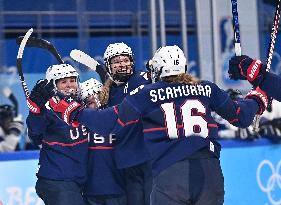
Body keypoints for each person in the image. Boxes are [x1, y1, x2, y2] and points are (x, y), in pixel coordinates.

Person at [50, 45, 268, 205]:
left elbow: (108, 123)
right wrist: (258, 98)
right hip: (209, 171)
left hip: (170, 172)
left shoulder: (148, 93)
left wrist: (73, 112)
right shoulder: (207, 88)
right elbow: (241, 116)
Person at [98, 42, 152, 205]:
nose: (122, 64)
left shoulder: (145, 78)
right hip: (128, 160)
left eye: (125, 60)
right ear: (109, 66)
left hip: (150, 155)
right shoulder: (107, 94)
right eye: (116, 61)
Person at [26, 64, 88, 205]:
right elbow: (35, 134)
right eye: (63, 82)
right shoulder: (48, 111)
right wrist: (35, 111)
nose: (69, 85)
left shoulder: (82, 106)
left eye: (72, 80)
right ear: (53, 86)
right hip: (58, 180)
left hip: (79, 180)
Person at [80, 78, 127, 205]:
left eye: (98, 98)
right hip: (89, 192)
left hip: (119, 189)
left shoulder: (118, 119)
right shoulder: (79, 126)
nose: (96, 104)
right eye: (90, 102)